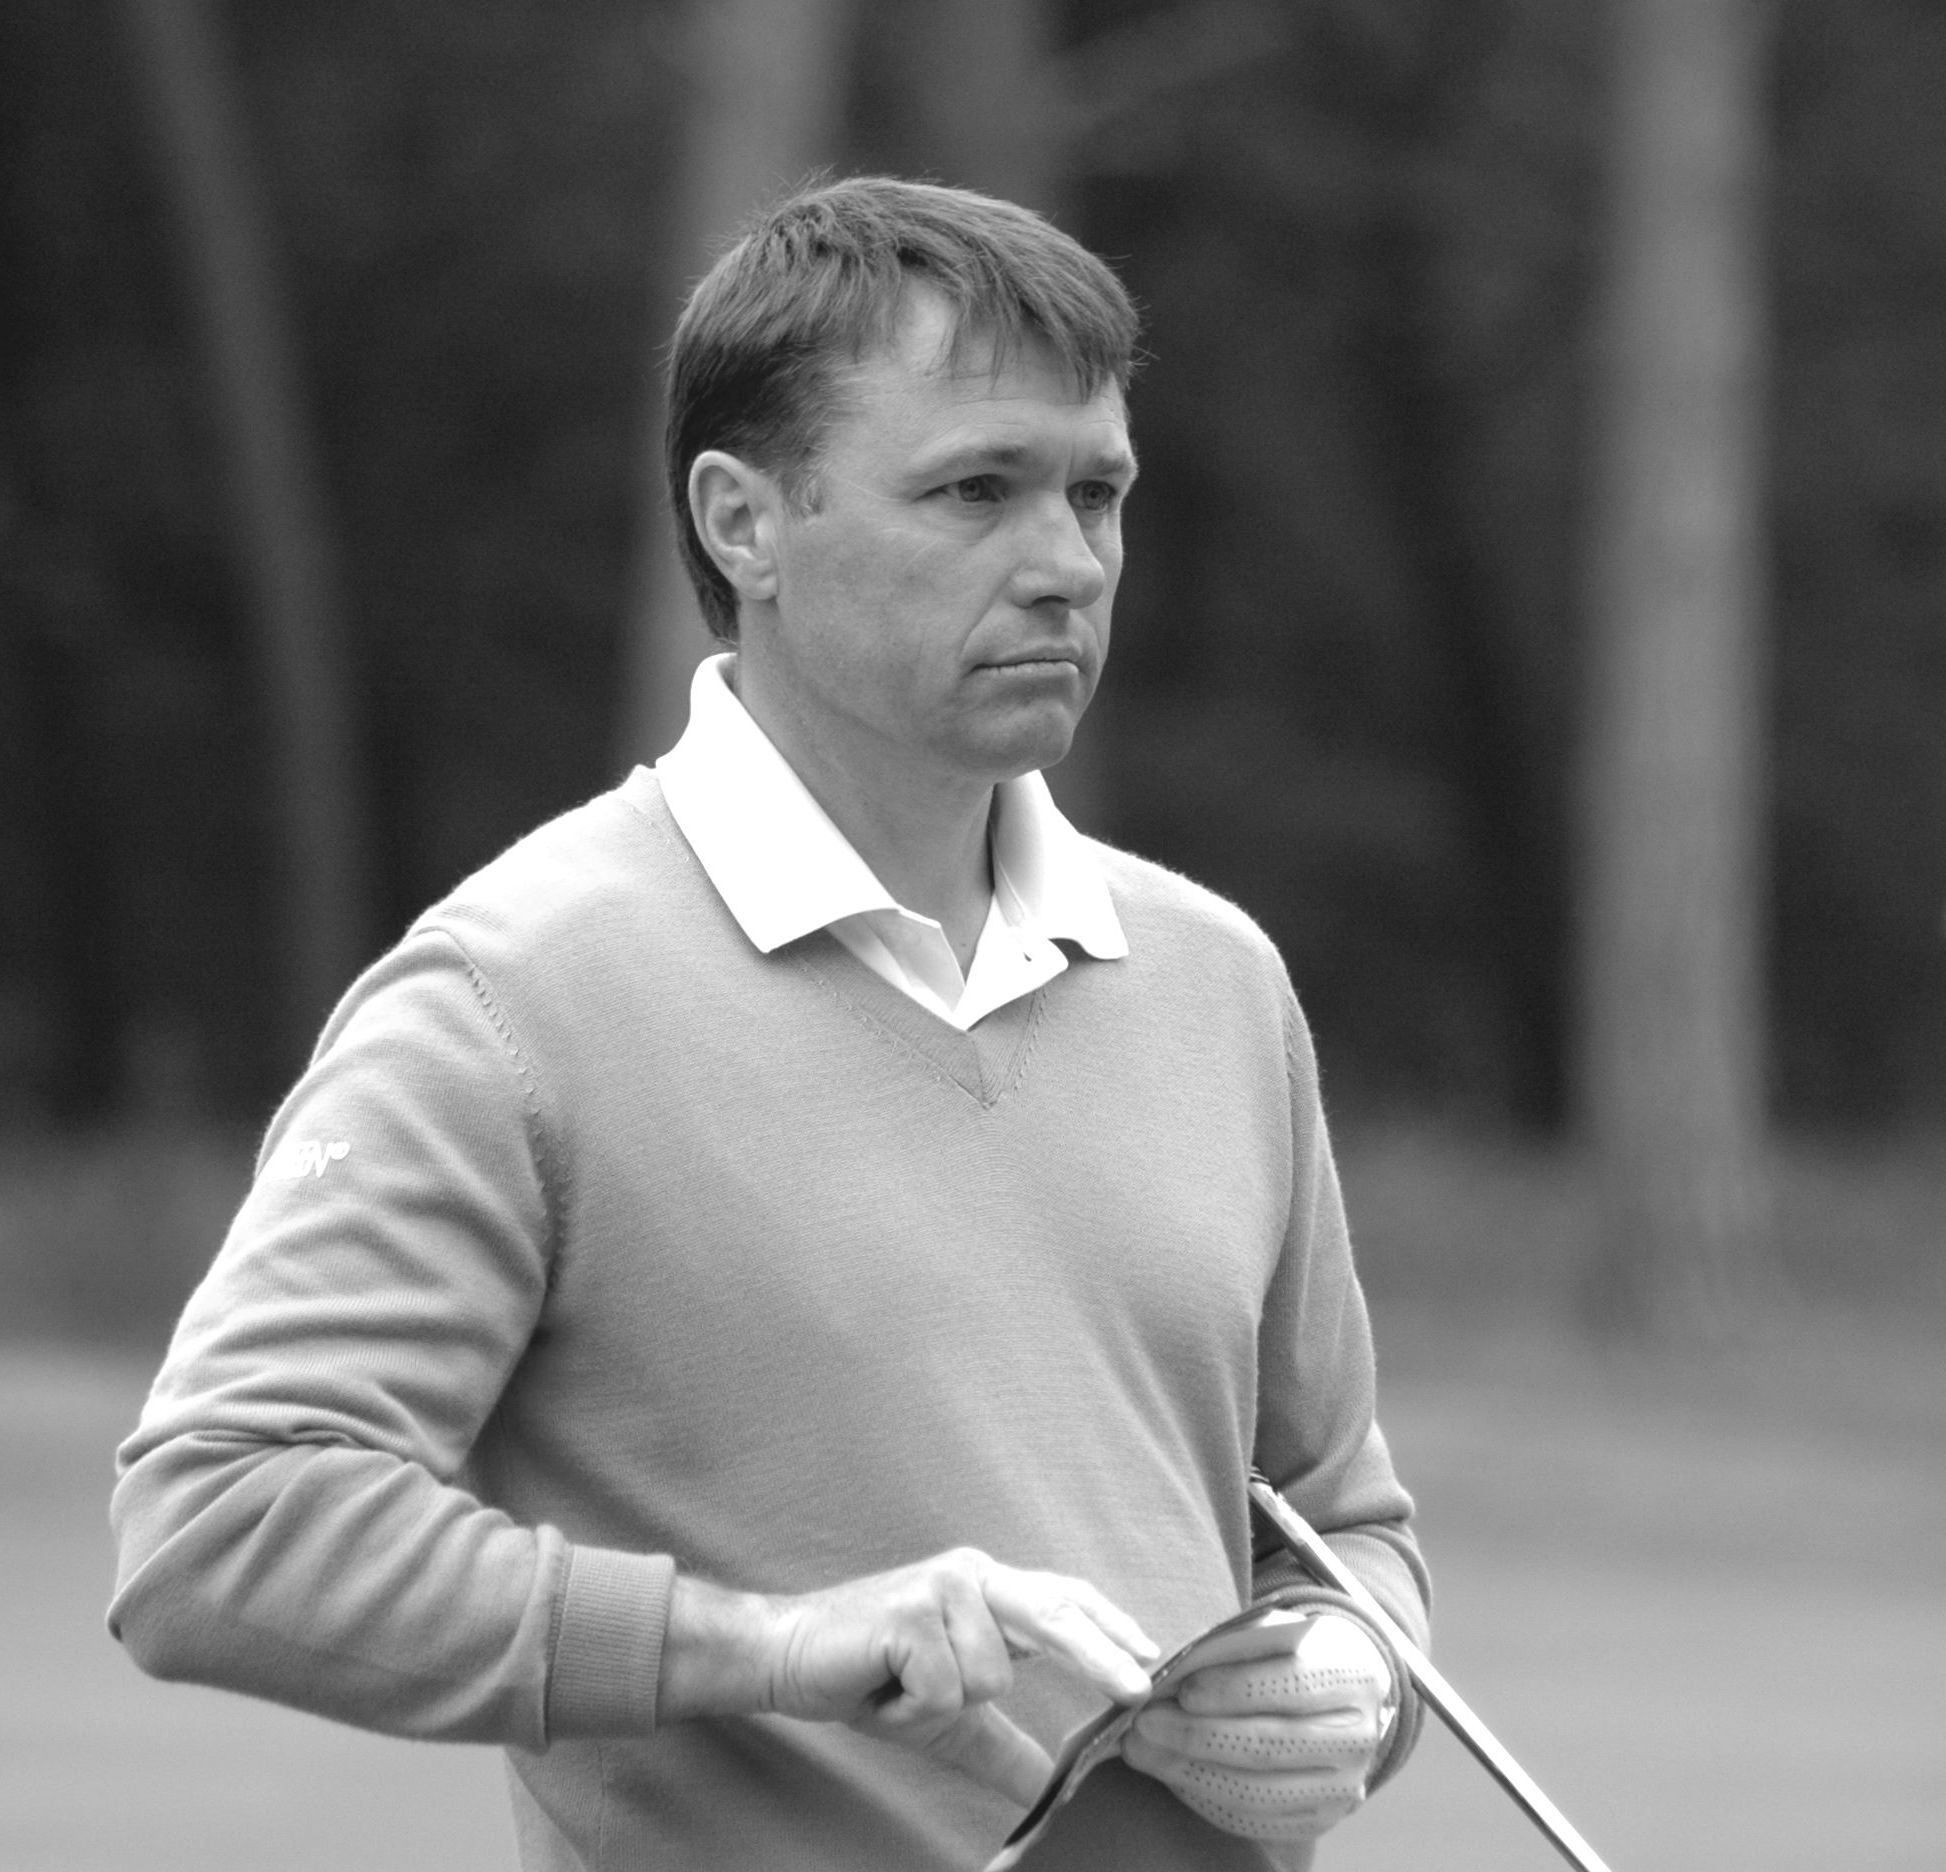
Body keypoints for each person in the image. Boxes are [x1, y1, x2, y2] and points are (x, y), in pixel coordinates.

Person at [109, 175, 1430, 1871]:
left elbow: (1337, 1527)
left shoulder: (1214, 978)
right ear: (744, 524)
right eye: (976, 490)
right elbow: (217, 1524)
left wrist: (1347, 1680)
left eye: (1097, 494)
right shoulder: (514, 997)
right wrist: (770, 1645)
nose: (1066, 566)